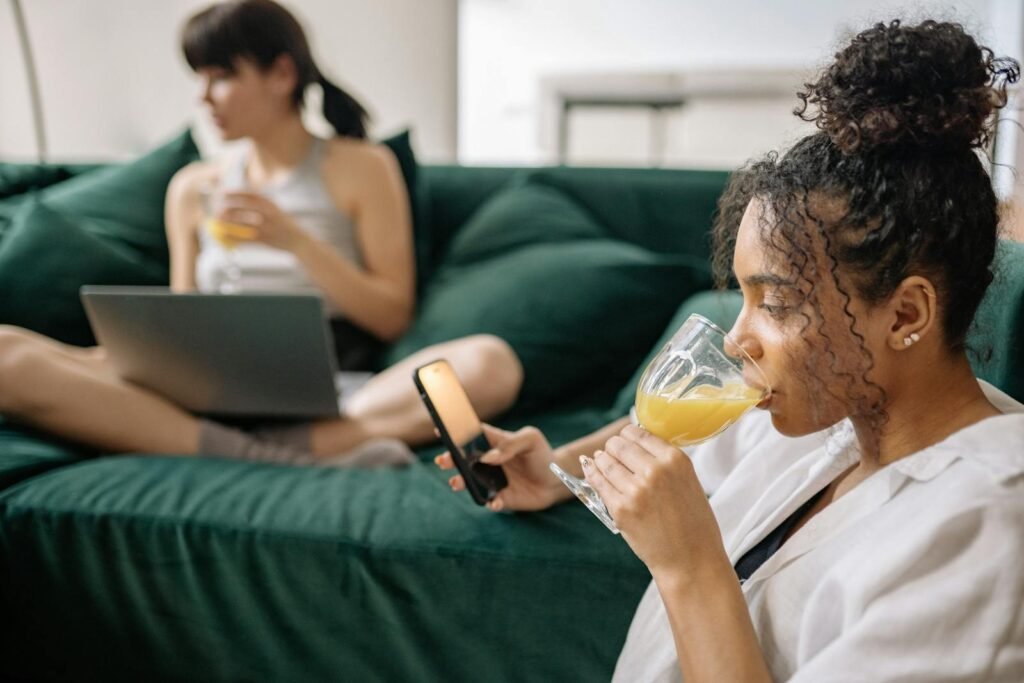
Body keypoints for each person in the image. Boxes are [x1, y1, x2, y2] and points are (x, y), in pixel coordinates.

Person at [438, 20, 1024, 680]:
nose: (738, 338)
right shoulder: (832, 420)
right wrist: (557, 469)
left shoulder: (986, 526)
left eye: (776, 303)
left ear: (906, 313)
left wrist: (690, 567)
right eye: (743, 297)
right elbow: (693, 436)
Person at [0, 0, 522, 465]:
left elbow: (392, 316)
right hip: (200, 382)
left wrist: (294, 241)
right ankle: (284, 452)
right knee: (5, 353)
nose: (204, 97)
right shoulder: (193, 188)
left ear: (282, 73)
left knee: (489, 364)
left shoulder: (362, 166)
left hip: (331, 385)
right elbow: (182, 315)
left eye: (222, 76)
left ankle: (230, 445)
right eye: (200, 78)